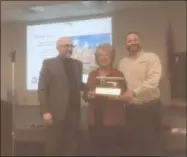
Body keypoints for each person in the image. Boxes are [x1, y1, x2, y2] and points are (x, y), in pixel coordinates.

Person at [118, 32, 163, 156]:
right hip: (131, 109)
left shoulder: (152, 57)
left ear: (140, 41)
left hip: (150, 107)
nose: (133, 42)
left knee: (153, 143)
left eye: (135, 39)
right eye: (129, 41)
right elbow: (121, 84)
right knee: (134, 142)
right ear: (125, 44)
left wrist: (134, 92)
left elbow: (153, 80)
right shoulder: (122, 63)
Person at [38, 37, 83, 156]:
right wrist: (45, 111)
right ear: (58, 48)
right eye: (65, 46)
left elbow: (78, 84)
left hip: (74, 112)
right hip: (56, 113)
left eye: (70, 46)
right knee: (54, 146)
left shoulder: (78, 64)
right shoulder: (49, 63)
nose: (68, 48)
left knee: (71, 146)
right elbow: (42, 88)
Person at [83, 44, 127, 156]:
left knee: (112, 151)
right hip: (95, 120)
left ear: (112, 57)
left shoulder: (118, 74)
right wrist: (89, 95)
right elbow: (85, 96)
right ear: (97, 58)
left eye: (106, 55)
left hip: (113, 120)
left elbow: (125, 95)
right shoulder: (92, 75)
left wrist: (119, 96)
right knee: (96, 151)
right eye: (100, 55)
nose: (103, 58)